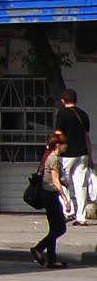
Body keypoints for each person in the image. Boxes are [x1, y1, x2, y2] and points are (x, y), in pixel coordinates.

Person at [54, 88, 94, 226]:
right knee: (81, 186)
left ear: (63, 100)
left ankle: (68, 210)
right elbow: (87, 138)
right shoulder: (83, 115)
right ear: (76, 100)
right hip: (82, 154)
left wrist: (54, 152)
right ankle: (81, 217)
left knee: (61, 182)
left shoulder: (62, 114)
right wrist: (90, 158)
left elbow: (58, 135)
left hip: (67, 155)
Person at [31, 134, 71, 268]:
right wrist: (65, 199)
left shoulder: (49, 157)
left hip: (47, 195)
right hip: (51, 197)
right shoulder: (54, 159)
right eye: (65, 144)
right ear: (58, 145)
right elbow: (53, 181)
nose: (67, 146)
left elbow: (50, 178)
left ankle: (52, 260)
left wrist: (62, 182)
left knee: (54, 229)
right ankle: (38, 248)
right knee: (60, 228)